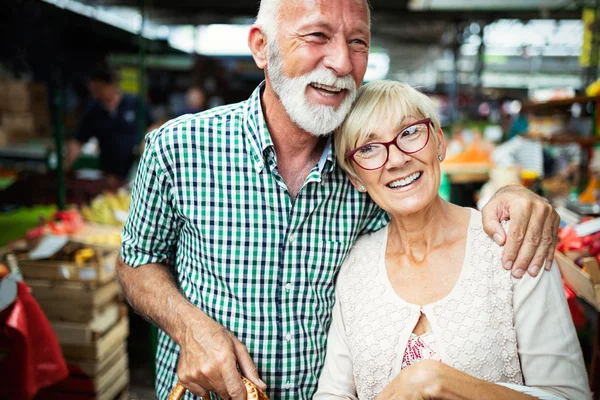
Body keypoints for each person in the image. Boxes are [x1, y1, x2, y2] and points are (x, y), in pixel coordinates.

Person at [116, 1, 561, 399]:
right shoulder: (179, 148)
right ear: (260, 46)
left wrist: (512, 193)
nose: (342, 62)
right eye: (317, 36)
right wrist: (189, 327)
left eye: (358, 42)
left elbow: (427, 198)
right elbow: (135, 261)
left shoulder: (369, 163)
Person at [315, 80, 589, 400]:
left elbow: (570, 395)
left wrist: (440, 381)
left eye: (409, 133)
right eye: (368, 148)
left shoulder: (511, 244)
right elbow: (333, 393)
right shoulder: (356, 266)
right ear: (356, 177)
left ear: (439, 142)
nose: (397, 159)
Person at [65, 66, 153, 180]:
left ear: (112, 84)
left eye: (99, 89)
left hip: (137, 170)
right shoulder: (92, 110)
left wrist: (144, 146)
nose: (96, 94)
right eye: (93, 90)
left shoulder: (136, 104)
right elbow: (78, 141)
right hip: (108, 172)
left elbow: (153, 127)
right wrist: (65, 167)